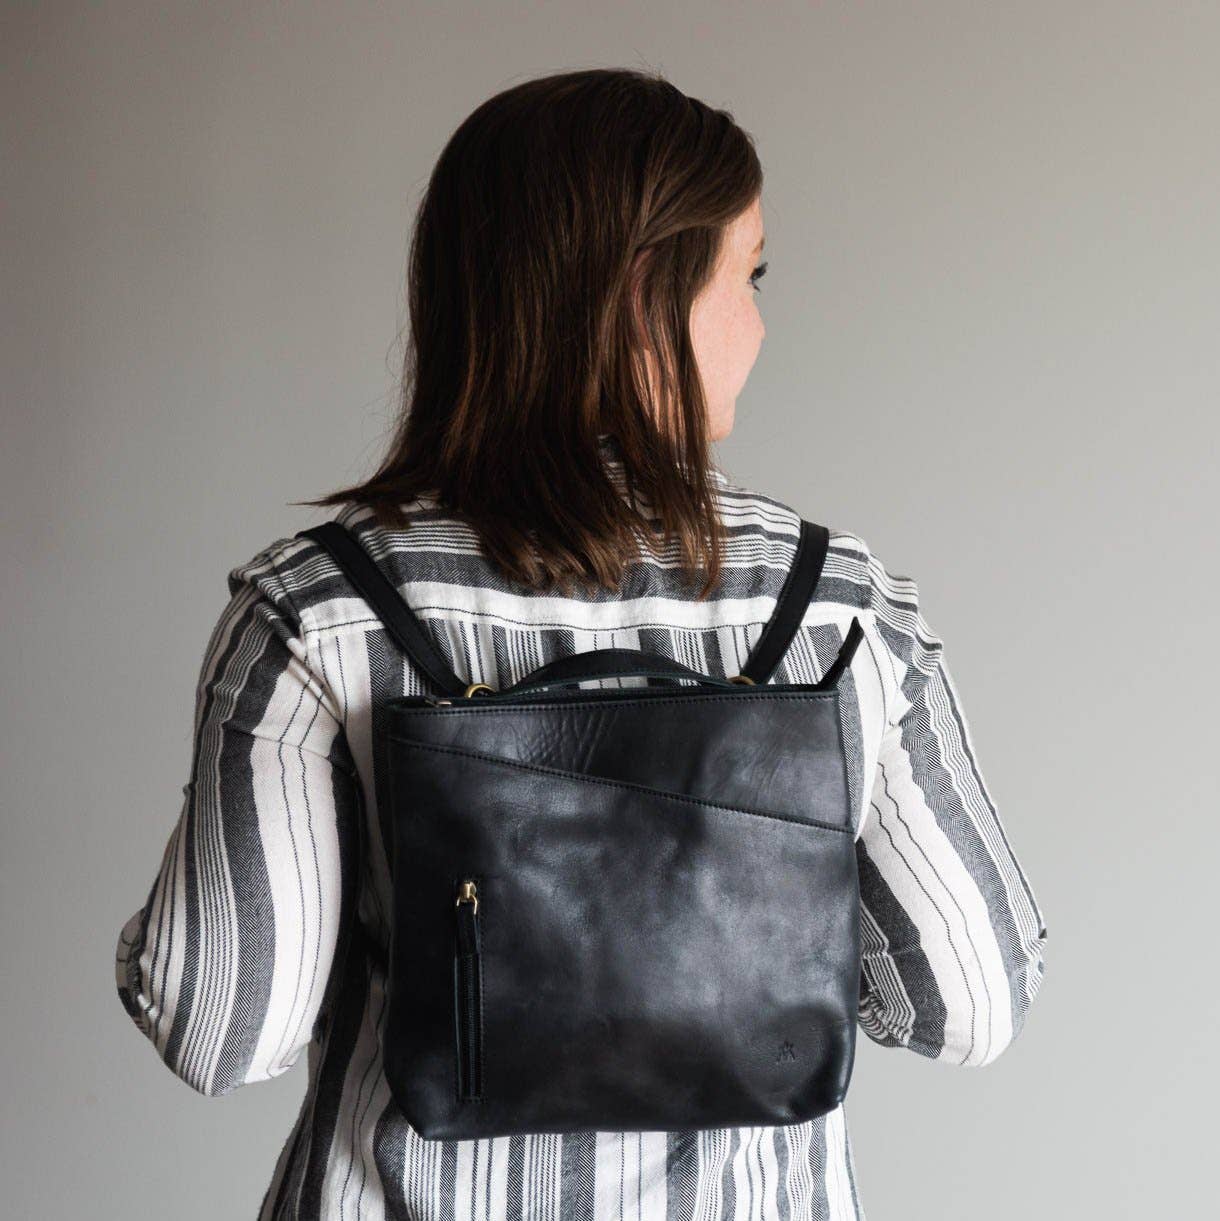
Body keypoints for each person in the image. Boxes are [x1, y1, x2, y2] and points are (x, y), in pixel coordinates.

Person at [113, 67, 1047, 1220]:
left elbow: (220, 1027)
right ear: (648, 289)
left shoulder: (320, 607)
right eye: (747, 274)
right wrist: (739, 954)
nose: (759, 323)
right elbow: (969, 1006)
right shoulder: (834, 609)